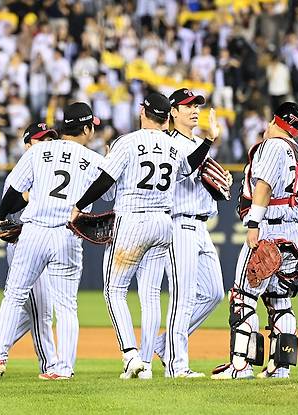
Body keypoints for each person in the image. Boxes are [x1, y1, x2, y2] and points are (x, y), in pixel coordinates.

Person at [69, 92, 216, 379]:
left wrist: (79, 206)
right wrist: (209, 142)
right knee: (150, 295)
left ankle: (131, 356)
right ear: (167, 116)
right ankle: (146, 364)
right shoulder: (173, 146)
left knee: (114, 290)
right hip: (163, 223)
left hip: (133, 220)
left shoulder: (128, 142)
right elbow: (190, 167)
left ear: (142, 111)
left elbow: (105, 180)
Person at [0, 103, 103, 379]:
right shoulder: (95, 159)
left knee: (13, 295)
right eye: (92, 127)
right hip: (67, 234)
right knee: (66, 305)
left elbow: (14, 188)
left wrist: (0, 218)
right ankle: (63, 368)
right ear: (85, 128)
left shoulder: (38, 151)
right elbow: (108, 194)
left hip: (34, 232)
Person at [211, 102, 298, 380]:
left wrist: (253, 223)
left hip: (267, 228)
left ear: (275, 120)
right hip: (292, 233)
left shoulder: (272, 146)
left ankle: (240, 365)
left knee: (243, 298)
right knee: (280, 301)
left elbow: (263, 187)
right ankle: (280, 367)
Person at [0, 122, 61, 379]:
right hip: (23, 244)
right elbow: (9, 212)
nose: (46, 144)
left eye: (50, 139)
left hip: (43, 242)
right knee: (41, 310)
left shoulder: (52, 172)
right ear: (27, 145)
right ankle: (50, 365)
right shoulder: (20, 174)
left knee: (31, 311)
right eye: (40, 139)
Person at [152, 88, 226, 378]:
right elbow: (184, 170)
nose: (194, 110)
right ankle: (177, 365)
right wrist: (209, 141)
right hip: (178, 224)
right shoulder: (168, 143)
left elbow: (202, 179)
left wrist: (219, 187)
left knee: (213, 293)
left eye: (197, 105)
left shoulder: (197, 142)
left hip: (200, 225)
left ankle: (162, 344)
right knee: (182, 296)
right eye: (187, 106)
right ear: (173, 112)